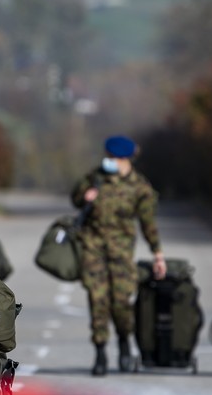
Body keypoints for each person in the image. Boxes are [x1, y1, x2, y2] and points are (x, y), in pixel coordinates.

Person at [71, 136, 166, 377]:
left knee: (122, 303)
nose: (109, 162)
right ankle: (100, 353)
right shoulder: (96, 177)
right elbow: (74, 197)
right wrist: (86, 197)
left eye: (114, 158)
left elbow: (148, 223)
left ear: (125, 160)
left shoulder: (140, 187)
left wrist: (157, 253)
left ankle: (124, 341)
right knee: (98, 300)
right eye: (108, 157)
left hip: (122, 254)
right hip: (94, 249)